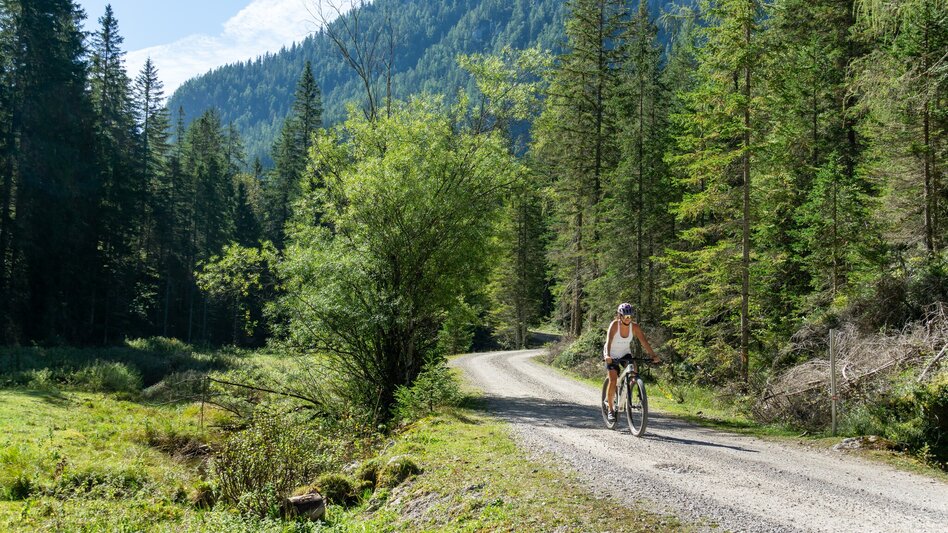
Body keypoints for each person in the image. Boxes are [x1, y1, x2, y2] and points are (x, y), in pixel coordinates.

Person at [603, 303, 660, 423]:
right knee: (613, 379)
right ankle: (610, 409)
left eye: (630, 316)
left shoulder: (634, 327)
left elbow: (644, 342)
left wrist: (653, 356)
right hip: (611, 354)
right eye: (626, 316)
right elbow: (608, 341)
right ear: (620, 316)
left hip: (625, 353)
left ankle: (628, 392)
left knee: (634, 371)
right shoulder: (614, 325)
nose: (628, 319)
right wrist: (607, 355)